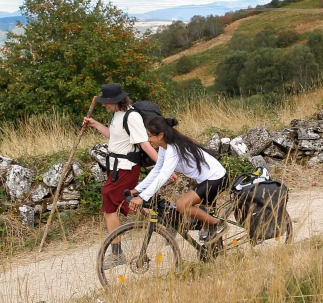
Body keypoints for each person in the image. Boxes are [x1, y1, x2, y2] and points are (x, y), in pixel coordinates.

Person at [81, 83, 159, 267]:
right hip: (117, 168)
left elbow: (144, 144)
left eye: (107, 102)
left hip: (127, 168)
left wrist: (163, 167)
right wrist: (95, 124)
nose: (104, 105)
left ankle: (117, 255)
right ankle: (164, 217)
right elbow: (114, 137)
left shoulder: (132, 117)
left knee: (109, 204)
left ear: (117, 101)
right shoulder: (118, 114)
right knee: (127, 201)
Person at [125, 115, 227, 245]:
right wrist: (137, 189)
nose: (148, 139)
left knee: (182, 205)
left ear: (160, 135)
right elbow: (157, 170)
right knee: (193, 212)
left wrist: (142, 197)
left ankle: (217, 224)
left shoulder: (173, 149)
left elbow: (163, 175)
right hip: (206, 179)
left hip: (216, 178)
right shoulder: (164, 147)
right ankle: (210, 234)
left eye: (150, 136)